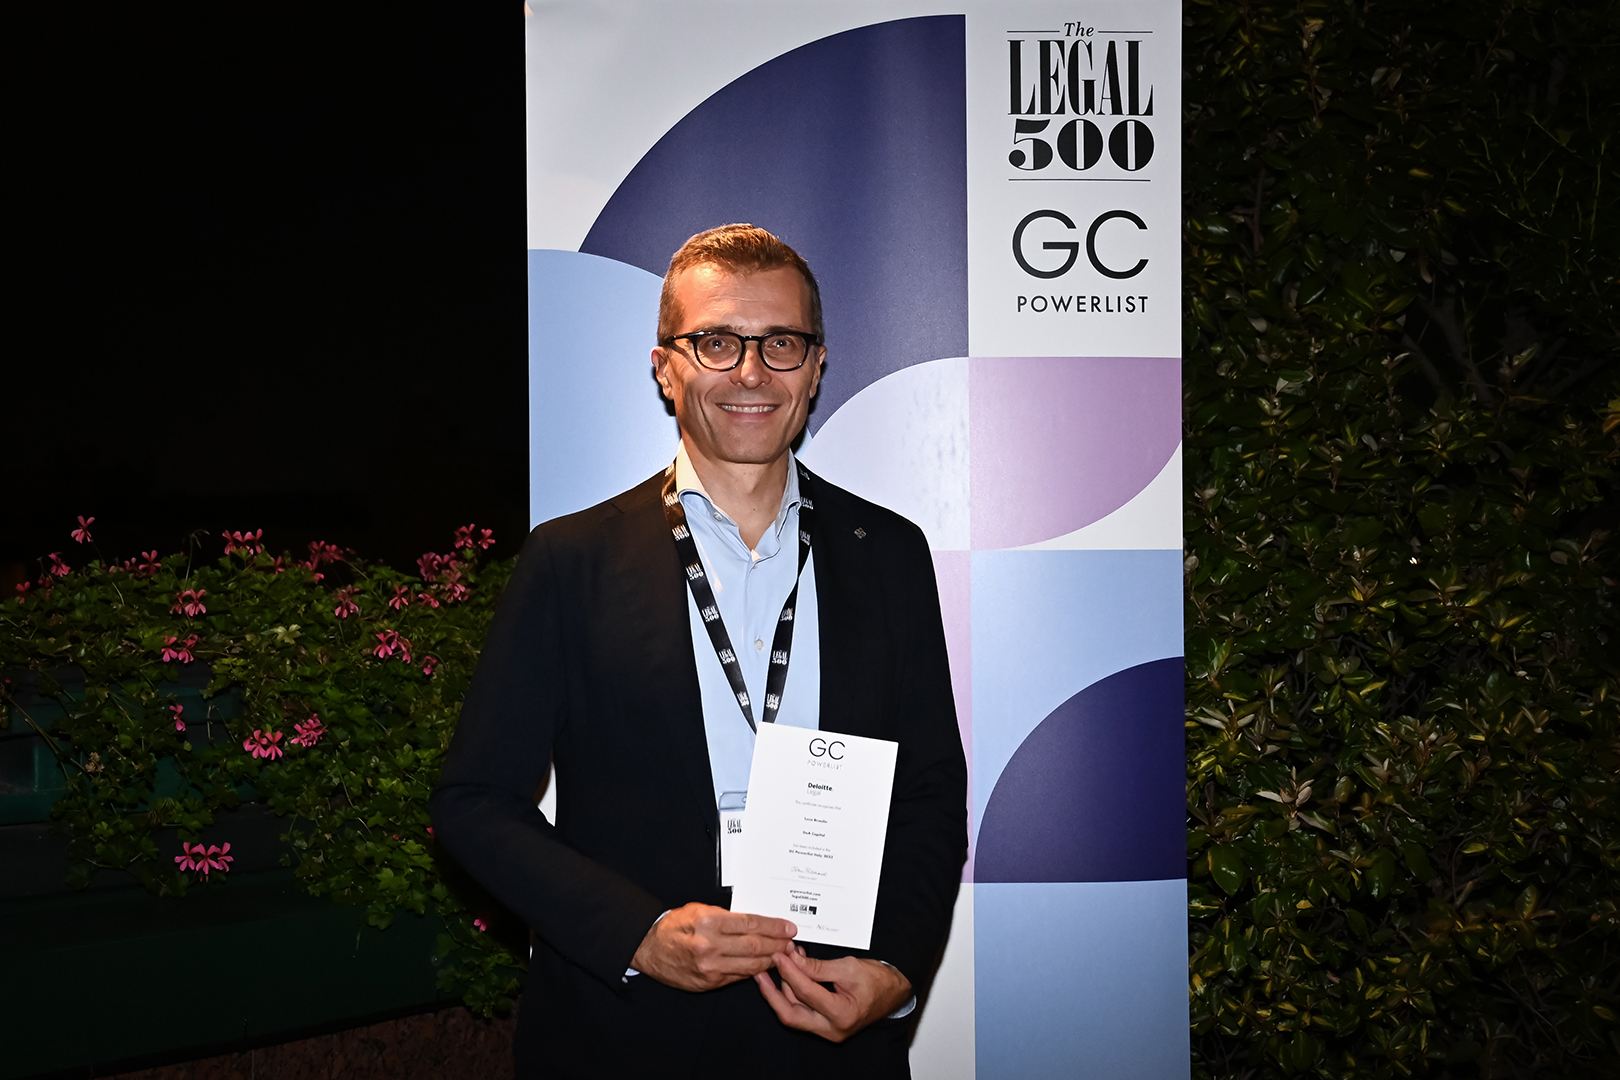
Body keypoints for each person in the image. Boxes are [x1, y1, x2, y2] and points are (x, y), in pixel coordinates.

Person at [431, 224, 967, 1078]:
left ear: (816, 367)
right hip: (626, 1037)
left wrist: (897, 969)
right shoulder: (571, 560)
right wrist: (637, 935)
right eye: (717, 342)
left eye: (781, 343)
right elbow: (473, 801)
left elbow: (931, 789)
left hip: (833, 1035)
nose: (751, 372)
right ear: (665, 367)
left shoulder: (891, 553)